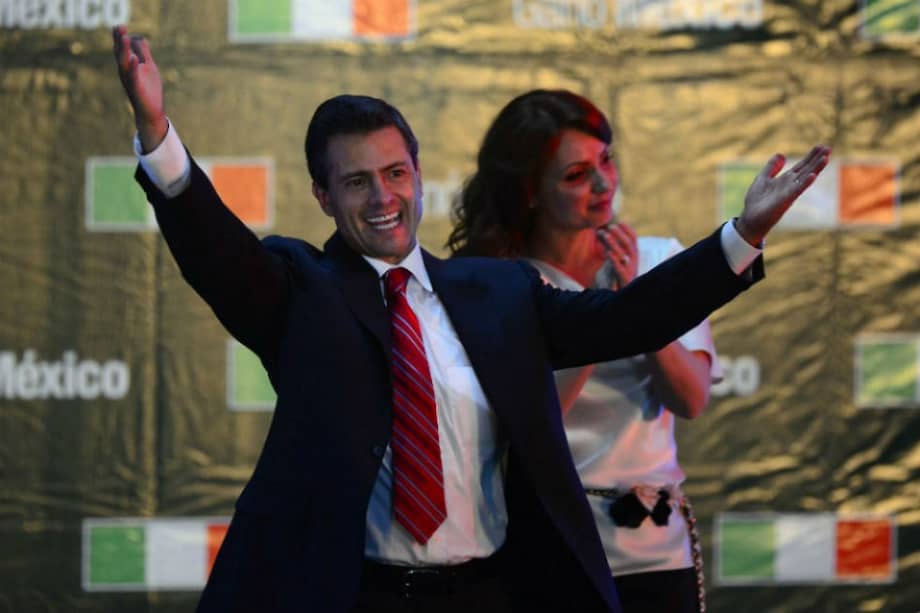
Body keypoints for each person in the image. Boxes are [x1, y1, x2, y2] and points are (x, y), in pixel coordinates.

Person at [112, 26, 829, 613]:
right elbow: (221, 258)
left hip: (493, 593)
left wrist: (743, 234)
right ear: (323, 197)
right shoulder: (303, 290)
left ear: (418, 174)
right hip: (360, 595)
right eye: (356, 182)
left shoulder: (497, 289)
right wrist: (157, 134)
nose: (382, 198)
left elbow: (626, 320)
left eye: (395, 173)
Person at [447, 89, 758, 612]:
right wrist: (609, 314)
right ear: (529, 192)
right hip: (551, 547)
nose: (602, 184)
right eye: (576, 175)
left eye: (606, 161)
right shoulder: (501, 284)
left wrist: (638, 298)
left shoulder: (659, 260)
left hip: (656, 548)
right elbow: (527, 426)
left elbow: (691, 398)